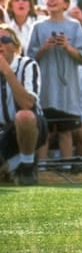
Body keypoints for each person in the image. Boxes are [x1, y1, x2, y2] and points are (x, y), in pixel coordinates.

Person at [0, 23, 45, 186]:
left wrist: (7, 72)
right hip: (2, 131)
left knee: (24, 116)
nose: (0, 44)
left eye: (5, 39)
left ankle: (26, 165)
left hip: (28, 126)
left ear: (16, 46)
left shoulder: (27, 65)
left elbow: (27, 104)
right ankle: (11, 166)